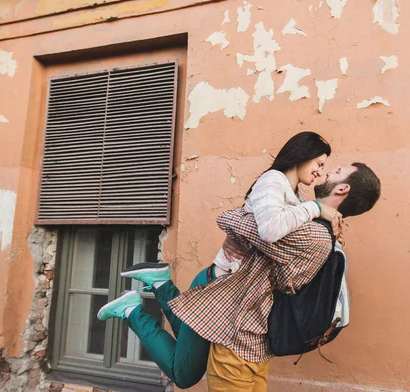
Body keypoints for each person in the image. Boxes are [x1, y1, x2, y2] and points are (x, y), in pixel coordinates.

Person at [97, 131, 344, 388]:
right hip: (218, 288)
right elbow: (270, 229)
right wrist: (316, 208)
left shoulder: (294, 196)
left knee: (189, 357)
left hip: (229, 295)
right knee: (184, 374)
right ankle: (132, 310)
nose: (319, 171)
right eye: (319, 163)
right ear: (303, 154)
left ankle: (160, 284)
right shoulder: (273, 181)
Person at [169, 162, 381, 391]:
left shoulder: (311, 232)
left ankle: (152, 293)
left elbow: (235, 221)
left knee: (184, 368)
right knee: (186, 352)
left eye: (338, 172)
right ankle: (157, 289)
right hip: (259, 343)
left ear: (342, 189)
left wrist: (314, 207)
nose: (328, 171)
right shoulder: (323, 231)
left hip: (240, 341)